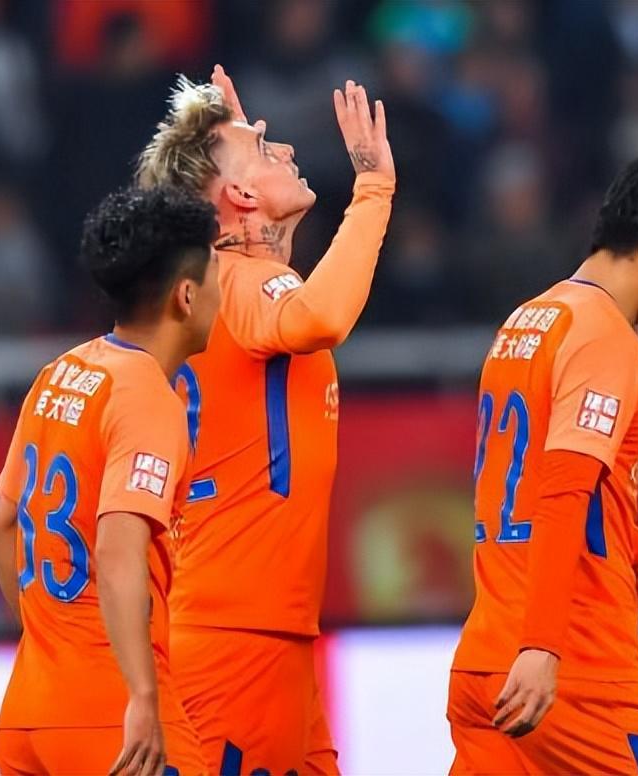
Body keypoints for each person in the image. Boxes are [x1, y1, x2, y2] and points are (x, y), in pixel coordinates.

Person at [135, 67, 395, 773]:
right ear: (241, 197)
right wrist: (374, 187)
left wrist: (236, 155)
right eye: (264, 148)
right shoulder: (245, 281)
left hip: (261, 629)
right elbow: (320, 316)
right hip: (239, 639)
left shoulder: (229, 282)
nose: (285, 150)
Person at [448, 138, 638, 775]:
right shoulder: (604, 336)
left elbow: (582, 519)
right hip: (575, 673)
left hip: (485, 663)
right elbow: (565, 493)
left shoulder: (527, 320)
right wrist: (543, 647)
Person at [0, 185, 219, 775]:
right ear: (186, 295)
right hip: (109, 710)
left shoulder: (60, 371)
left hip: (27, 709)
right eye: (216, 278)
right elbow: (119, 551)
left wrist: (48, 636)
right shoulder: (147, 396)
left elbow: (3, 519)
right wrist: (141, 696)